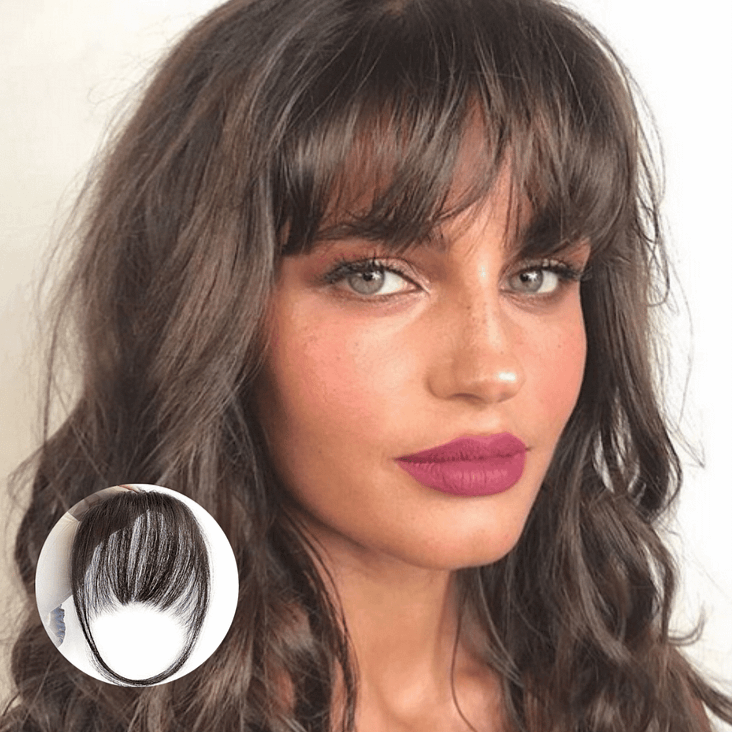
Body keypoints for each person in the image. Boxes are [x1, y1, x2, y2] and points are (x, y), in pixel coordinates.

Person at [2, 0, 731, 729]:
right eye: (374, 277)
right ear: (209, 312)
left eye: (538, 275)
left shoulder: (642, 708)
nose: (492, 371)